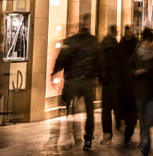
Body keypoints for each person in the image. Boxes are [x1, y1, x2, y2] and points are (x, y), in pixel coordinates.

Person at [51, 15, 100, 152]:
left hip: (72, 80)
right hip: (88, 81)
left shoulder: (71, 41)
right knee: (89, 111)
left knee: (67, 108)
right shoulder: (94, 41)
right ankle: (88, 138)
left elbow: (62, 58)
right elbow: (98, 61)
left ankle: (69, 134)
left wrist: (55, 72)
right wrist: (99, 77)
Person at [130, 28, 153, 156]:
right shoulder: (136, 55)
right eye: (145, 40)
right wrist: (135, 73)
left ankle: (145, 145)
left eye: (149, 40)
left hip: (152, 93)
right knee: (143, 123)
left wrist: (149, 73)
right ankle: (145, 148)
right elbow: (128, 71)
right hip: (139, 93)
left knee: (148, 121)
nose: (147, 43)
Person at [98, 26, 125, 145]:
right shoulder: (116, 46)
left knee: (106, 109)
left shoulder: (102, 46)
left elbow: (99, 63)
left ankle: (107, 134)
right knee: (116, 105)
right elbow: (122, 64)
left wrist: (100, 78)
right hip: (115, 80)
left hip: (106, 81)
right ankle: (119, 124)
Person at [118, 26, 139, 145]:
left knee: (132, 110)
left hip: (132, 81)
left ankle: (128, 132)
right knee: (128, 109)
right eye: (127, 32)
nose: (129, 33)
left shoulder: (136, 46)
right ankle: (127, 127)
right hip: (124, 81)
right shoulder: (121, 45)